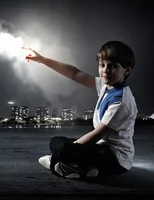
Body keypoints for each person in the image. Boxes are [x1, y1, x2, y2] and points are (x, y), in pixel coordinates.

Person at [23, 41, 138, 179]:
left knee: (59, 145)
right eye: (102, 65)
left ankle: (58, 163)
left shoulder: (121, 102)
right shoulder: (105, 85)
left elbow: (97, 135)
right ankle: (86, 168)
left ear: (127, 70)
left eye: (113, 66)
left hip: (115, 160)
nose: (106, 70)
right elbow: (74, 73)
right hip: (101, 150)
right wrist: (42, 60)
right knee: (61, 143)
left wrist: (70, 151)